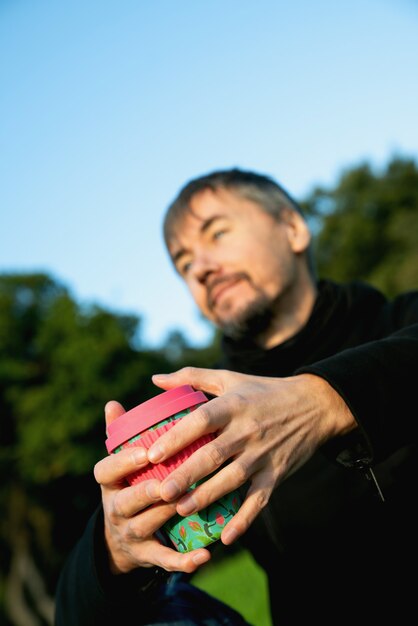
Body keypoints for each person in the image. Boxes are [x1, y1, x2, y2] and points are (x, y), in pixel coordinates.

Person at [54, 168, 418, 625]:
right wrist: (113, 551)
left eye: (218, 233)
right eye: (184, 263)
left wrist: (324, 400)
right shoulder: (206, 416)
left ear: (292, 228)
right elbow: (69, 615)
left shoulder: (400, 322)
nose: (201, 268)